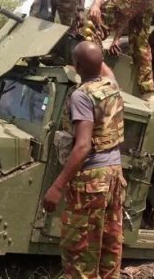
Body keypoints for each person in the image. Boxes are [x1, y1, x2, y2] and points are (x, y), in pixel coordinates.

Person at [43, 41, 126, 278]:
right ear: (101, 63)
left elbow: (82, 145)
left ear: (76, 65)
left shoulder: (81, 96)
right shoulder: (111, 86)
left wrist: (57, 187)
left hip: (90, 179)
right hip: (114, 174)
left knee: (78, 249)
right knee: (110, 241)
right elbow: (103, 68)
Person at [66, 0, 154, 104]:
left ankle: (98, 78)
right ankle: (148, 93)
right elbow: (121, 10)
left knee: (96, 19)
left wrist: (96, 4)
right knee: (139, 43)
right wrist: (116, 37)